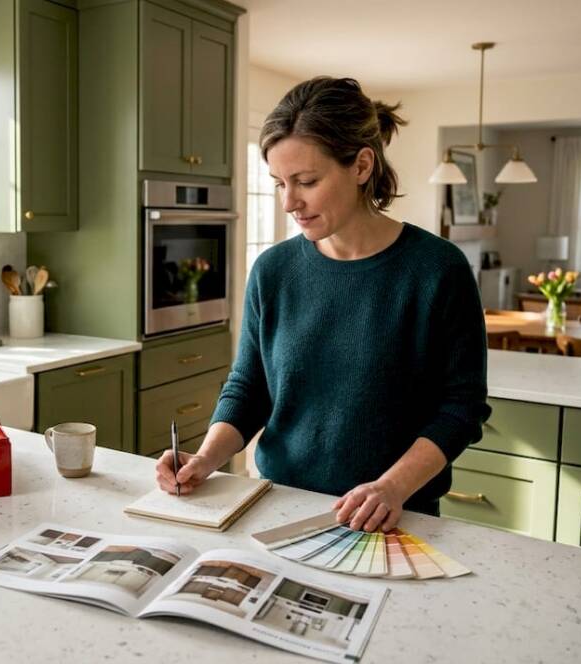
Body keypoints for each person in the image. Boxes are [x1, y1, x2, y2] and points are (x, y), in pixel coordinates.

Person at [155, 76, 490, 533]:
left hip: (394, 516)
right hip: (279, 506)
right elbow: (250, 387)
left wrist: (390, 487)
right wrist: (206, 456)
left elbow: (461, 408)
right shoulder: (273, 271)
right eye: (278, 183)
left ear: (361, 166)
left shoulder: (436, 271)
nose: (290, 202)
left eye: (306, 181)